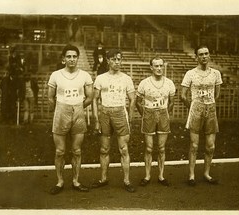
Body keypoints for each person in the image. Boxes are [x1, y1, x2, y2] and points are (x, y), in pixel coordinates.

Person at [48, 44, 93, 195]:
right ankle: (60, 181)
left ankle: (76, 181)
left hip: (78, 112)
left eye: (74, 56)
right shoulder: (56, 75)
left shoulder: (85, 75)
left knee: (77, 150)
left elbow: (90, 97)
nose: (72, 59)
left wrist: (78, 106)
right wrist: (61, 109)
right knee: (60, 151)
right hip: (61, 111)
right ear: (63, 59)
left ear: (78, 58)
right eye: (68, 56)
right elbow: (49, 97)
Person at [92, 49, 136, 193]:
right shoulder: (101, 78)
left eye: (119, 59)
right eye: (114, 59)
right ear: (108, 60)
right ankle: (103, 178)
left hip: (120, 113)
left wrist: (130, 116)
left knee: (123, 149)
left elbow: (132, 98)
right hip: (105, 113)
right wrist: (96, 119)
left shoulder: (126, 78)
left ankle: (127, 180)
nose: (117, 62)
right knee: (104, 149)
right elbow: (94, 99)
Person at [180, 45, 223, 186]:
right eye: (201, 54)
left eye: (206, 53)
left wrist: (210, 103)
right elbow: (183, 95)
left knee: (210, 146)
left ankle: (206, 173)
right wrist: (193, 107)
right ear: (197, 57)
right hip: (196, 109)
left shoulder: (216, 73)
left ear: (209, 55)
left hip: (210, 109)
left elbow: (217, 92)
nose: (204, 56)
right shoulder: (190, 74)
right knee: (194, 145)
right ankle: (191, 175)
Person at [136, 56, 176, 187]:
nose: (159, 68)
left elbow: (172, 102)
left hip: (163, 113)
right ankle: (147, 176)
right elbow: (138, 102)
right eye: (156, 66)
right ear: (151, 67)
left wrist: (165, 114)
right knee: (148, 148)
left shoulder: (169, 83)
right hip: (148, 113)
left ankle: (161, 175)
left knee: (161, 148)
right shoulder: (144, 83)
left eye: (161, 66)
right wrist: (145, 115)